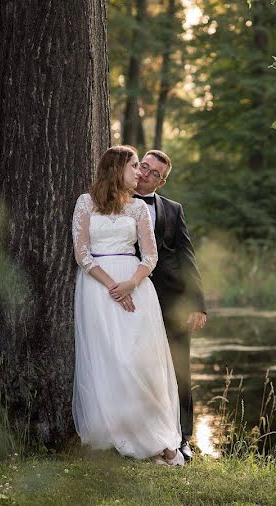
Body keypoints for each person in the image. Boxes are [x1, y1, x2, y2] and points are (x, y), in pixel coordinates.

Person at [71, 145, 184, 466]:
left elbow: (151, 255)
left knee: (137, 361)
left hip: (136, 288)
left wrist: (131, 284)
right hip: (97, 288)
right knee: (107, 358)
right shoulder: (85, 203)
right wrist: (112, 286)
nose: (140, 172)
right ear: (116, 168)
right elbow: (82, 254)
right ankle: (112, 432)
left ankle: (153, 434)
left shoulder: (137, 209)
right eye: (135, 166)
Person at [133, 149, 207, 462]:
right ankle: (140, 436)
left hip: (171, 300)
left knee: (179, 371)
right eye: (143, 167)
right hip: (130, 298)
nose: (144, 174)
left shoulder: (173, 210)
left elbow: (186, 256)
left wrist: (197, 303)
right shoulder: (111, 200)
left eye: (153, 173)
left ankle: (183, 438)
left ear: (161, 182)